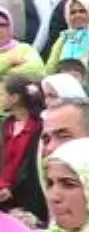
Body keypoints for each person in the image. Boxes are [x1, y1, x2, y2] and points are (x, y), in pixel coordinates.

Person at [0, 75, 47, 221]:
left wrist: (11, 189)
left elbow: (30, 166)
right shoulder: (4, 126)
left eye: (2, 94)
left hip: (25, 199)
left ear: (14, 98)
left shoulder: (39, 129)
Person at [43, 0, 89, 71]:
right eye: (73, 12)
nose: (77, 15)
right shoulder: (64, 38)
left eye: (82, 11)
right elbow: (50, 68)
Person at [0, 5, 46, 80]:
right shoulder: (12, 57)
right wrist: (9, 60)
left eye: (3, 25)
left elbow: (37, 71)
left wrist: (3, 76)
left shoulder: (24, 48)